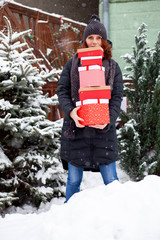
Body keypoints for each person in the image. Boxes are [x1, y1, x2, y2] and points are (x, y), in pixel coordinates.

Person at [57, 14, 123, 202]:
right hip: (76, 131)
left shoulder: (112, 66)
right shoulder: (73, 64)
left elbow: (117, 97)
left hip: (104, 133)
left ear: (104, 41)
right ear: (85, 41)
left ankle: (118, 217)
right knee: (73, 180)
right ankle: (68, 216)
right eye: (90, 38)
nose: (94, 42)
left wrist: (108, 118)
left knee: (111, 181)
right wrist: (71, 111)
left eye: (98, 38)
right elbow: (62, 90)